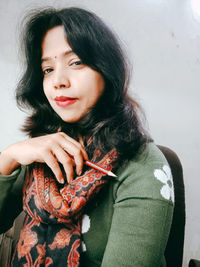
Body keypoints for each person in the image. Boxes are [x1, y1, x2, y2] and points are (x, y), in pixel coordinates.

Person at [0, 7, 174, 267]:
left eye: (76, 62)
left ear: (106, 69)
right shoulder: (46, 149)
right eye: (47, 69)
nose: (58, 80)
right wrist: (10, 156)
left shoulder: (144, 165)